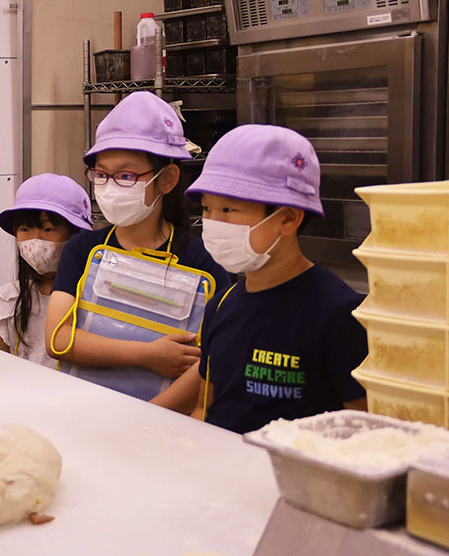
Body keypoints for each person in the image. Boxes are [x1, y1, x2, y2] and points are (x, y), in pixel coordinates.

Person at [152, 125, 368, 433]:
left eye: (228, 209)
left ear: (289, 217)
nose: (214, 223)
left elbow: (364, 428)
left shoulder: (339, 314)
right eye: (207, 209)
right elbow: (205, 406)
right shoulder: (221, 306)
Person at [45, 92, 230, 398]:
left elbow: (207, 364)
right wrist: (147, 355)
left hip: (167, 423)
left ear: (167, 179)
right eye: (101, 175)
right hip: (83, 409)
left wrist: (149, 416)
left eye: (126, 175)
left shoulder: (203, 263)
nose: (109, 187)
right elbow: (57, 340)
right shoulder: (83, 249)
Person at [0, 173, 93, 369]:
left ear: (76, 234)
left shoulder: (92, 297)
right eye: (25, 229)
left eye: (48, 229)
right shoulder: (11, 298)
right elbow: (3, 366)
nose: (35, 240)